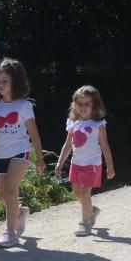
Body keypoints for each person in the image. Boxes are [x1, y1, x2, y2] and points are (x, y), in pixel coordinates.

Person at [0, 58, 45, 248]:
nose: (0, 85)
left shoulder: (24, 106)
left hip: (20, 153)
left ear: (15, 82)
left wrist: (40, 158)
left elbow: (34, 133)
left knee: (10, 191)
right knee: (2, 195)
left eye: (5, 81)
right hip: (0, 156)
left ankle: (10, 233)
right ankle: (19, 213)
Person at [54, 85, 115, 236]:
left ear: (94, 105)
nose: (83, 107)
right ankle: (92, 211)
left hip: (92, 164)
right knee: (77, 193)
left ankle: (85, 223)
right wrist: (59, 163)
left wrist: (110, 166)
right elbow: (67, 145)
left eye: (87, 104)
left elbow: (105, 146)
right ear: (75, 105)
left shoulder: (98, 125)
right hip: (76, 164)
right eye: (80, 104)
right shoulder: (73, 123)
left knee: (85, 193)